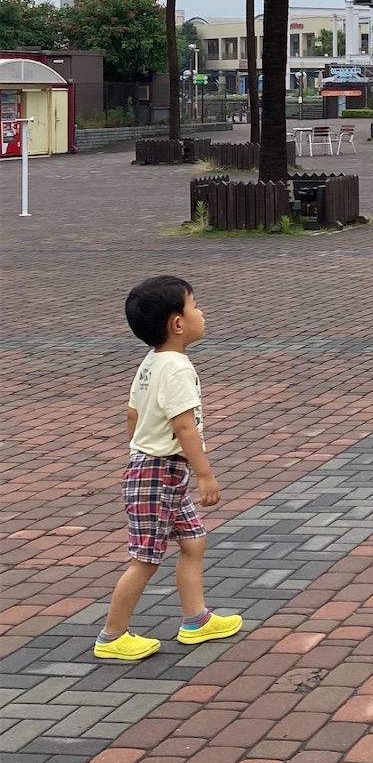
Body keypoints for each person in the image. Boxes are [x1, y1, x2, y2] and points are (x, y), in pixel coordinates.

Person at [95, 276, 243, 661]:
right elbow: (183, 424)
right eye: (194, 305)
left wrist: (138, 450)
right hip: (159, 474)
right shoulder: (176, 368)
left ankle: (196, 620)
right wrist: (205, 474)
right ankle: (112, 637)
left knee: (193, 541)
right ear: (178, 323)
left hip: (156, 471)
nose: (201, 313)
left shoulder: (151, 362)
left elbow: (133, 413)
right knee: (144, 558)